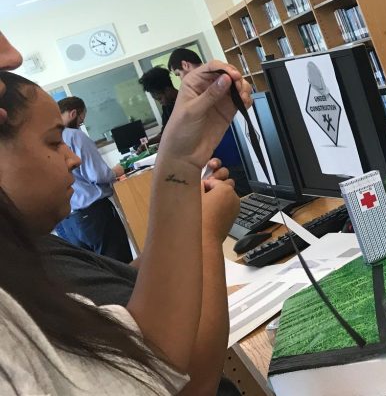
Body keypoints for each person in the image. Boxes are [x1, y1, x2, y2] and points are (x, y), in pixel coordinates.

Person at [0, 28, 248, 394]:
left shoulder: (32, 254)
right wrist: (204, 233)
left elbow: (148, 336)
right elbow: (171, 373)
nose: (13, 54)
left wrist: (180, 167)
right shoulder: (18, 282)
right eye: (54, 141)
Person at [54, 96, 132, 263]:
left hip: (70, 221)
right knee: (120, 265)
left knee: (99, 270)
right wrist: (116, 171)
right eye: (82, 119)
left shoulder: (50, 140)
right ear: (75, 113)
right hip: (95, 214)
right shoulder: (75, 136)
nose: (81, 123)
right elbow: (98, 175)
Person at [168, 48, 251, 196]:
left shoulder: (205, 89)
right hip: (234, 158)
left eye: (178, 74)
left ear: (185, 65)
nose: (181, 80)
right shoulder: (220, 78)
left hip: (233, 160)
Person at [139, 66, 179, 140]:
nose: (160, 103)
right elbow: (164, 134)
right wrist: (148, 143)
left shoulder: (187, 101)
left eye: (159, 98)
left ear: (167, 90)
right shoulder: (167, 107)